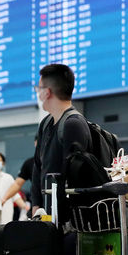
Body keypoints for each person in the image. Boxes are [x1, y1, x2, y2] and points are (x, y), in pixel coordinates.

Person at [31, 64, 92, 213]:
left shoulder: (73, 124)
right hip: (46, 212)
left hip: (67, 217)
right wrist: (36, 204)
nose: (38, 94)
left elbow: (75, 176)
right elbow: (38, 166)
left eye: (39, 89)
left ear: (47, 92)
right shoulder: (45, 124)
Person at [0, 151, 28, 224]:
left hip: (5, 216)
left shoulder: (7, 178)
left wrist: (24, 207)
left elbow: (15, 195)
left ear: (3, 163)